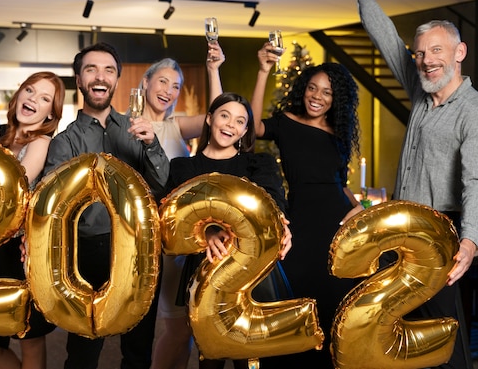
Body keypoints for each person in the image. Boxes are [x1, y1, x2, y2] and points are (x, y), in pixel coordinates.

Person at [345, 0, 478, 369]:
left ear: (459, 52)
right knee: (404, 326)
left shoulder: (476, 112)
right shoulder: (420, 88)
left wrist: (468, 241)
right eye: (421, 53)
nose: (427, 60)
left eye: (437, 50)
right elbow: (387, 40)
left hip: (441, 233)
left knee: (441, 331)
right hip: (404, 228)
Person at [43, 42, 169, 369]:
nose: (100, 76)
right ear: (79, 80)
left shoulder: (137, 130)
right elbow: (54, 207)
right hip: (88, 253)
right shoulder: (64, 142)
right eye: (91, 69)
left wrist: (152, 145)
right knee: (84, 351)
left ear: (116, 80)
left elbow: (161, 185)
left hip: (140, 250)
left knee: (139, 351)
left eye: (109, 70)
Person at [248, 47, 363, 368]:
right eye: (312, 88)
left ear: (336, 98)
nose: (317, 96)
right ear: (303, 90)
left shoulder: (339, 133)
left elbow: (341, 183)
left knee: (336, 299)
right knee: (298, 297)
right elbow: (252, 129)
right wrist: (263, 72)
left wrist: (362, 211)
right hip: (301, 221)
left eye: (327, 92)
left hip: (338, 224)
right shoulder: (286, 122)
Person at [161, 92, 292, 369]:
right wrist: (205, 233)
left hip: (251, 274)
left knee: (251, 357)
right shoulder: (184, 167)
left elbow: (273, 203)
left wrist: (281, 223)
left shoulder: (259, 164)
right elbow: (172, 216)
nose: (230, 124)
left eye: (240, 121)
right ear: (210, 118)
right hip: (205, 269)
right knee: (210, 356)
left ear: (245, 130)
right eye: (224, 115)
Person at [0, 71, 66, 369]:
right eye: (30, 90)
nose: (33, 99)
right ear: (19, 94)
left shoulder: (40, 142)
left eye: (45, 98)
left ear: (51, 112)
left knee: (30, 341)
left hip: (17, 252)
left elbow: (16, 184)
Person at [147, 42, 225, 369]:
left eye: (175, 86)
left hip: (184, 239)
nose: (169, 90)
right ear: (146, 84)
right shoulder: (124, 126)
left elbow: (218, 116)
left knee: (186, 329)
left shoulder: (174, 125)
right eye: (162, 81)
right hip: (153, 240)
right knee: (178, 329)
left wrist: (213, 69)